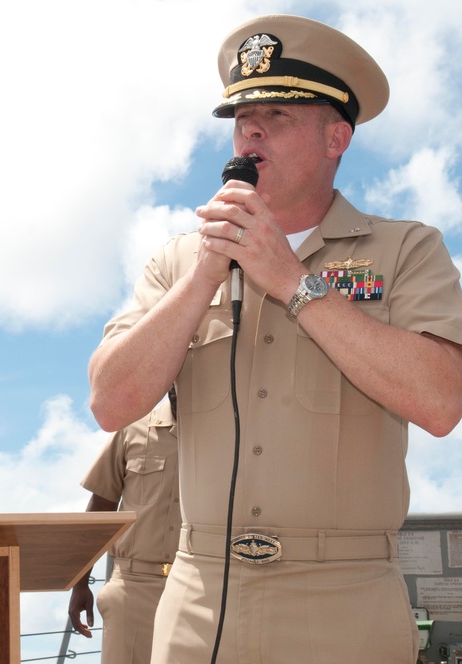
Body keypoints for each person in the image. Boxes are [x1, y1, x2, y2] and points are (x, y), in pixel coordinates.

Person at [87, 14, 462, 664]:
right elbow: (111, 403)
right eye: (241, 117)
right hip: (197, 603)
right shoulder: (177, 263)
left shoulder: (406, 250)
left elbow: (440, 400)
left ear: (336, 137)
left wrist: (294, 282)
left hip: (344, 605)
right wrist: (207, 270)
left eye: (279, 113)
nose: (251, 128)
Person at [67, 388, 180, 664]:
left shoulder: (230, 437)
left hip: (200, 587)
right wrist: (80, 583)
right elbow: (100, 508)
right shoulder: (131, 429)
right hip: (133, 588)